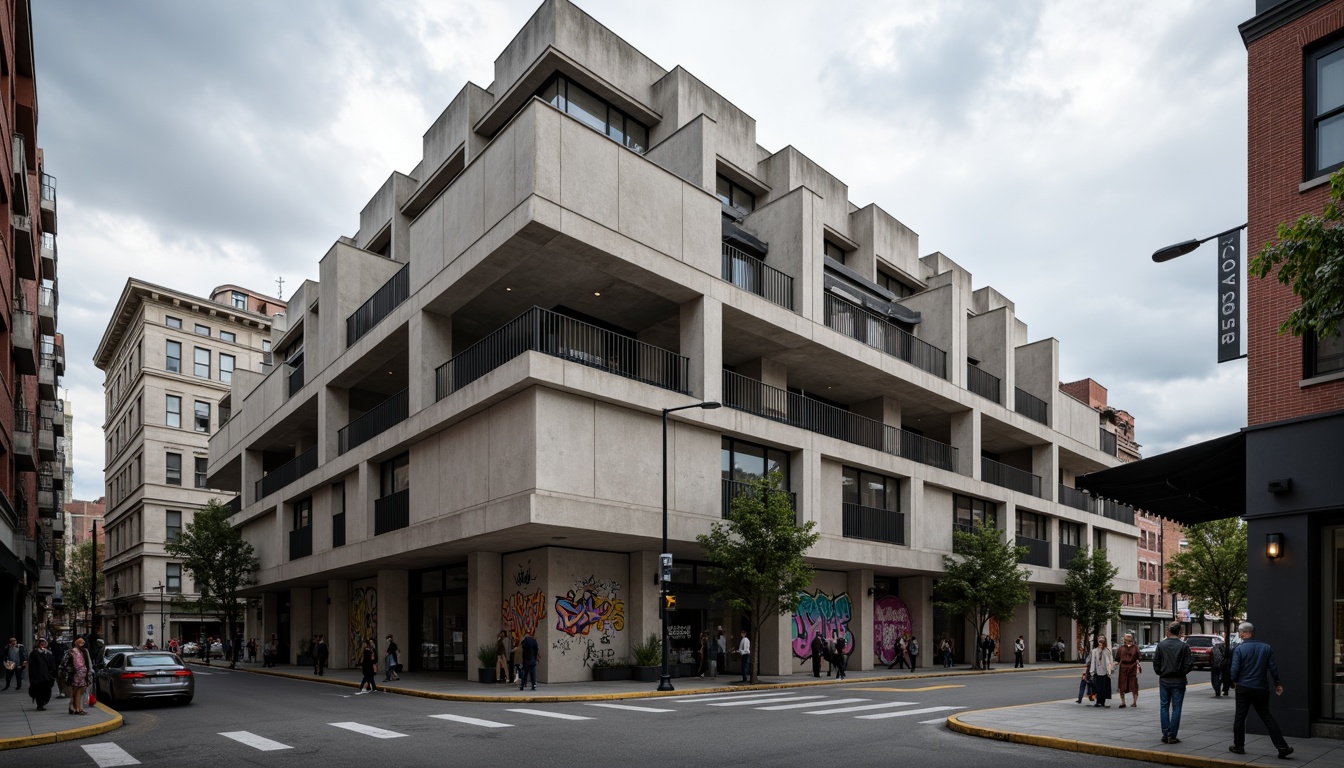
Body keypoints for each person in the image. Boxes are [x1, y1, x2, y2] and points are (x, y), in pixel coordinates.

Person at [1227, 621, 1292, 759]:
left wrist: (1236, 681)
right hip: (1261, 688)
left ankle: (1239, 746)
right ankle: (1282, 747)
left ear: (1244, 633)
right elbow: (1273, 668)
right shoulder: (1266, 648)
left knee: (1240, 717)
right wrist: (1277, 683)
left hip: (1244, 688)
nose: (1240, 634)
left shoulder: (1239, 649)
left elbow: (1233, 673)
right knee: (1267, 717)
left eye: (1240, 632)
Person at [1153, 621, 1195, 744]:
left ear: (1169, 631)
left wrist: (1161, 672)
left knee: (1164, 706)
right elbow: (1189, 663)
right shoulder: (1184, 646)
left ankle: (1165, 733)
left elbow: (1156, 663)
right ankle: (1172, 735)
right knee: (1177, 708)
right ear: (1180, 632)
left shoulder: (1161, 645)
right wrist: (1182, 673)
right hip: (1179, 680)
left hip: (1164, 679)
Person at [59, 636, 93, 715]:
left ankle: (78, 708)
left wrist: (87, 671)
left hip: (81, 673)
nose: (82, 644)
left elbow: (85, 662)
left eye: (83, 642)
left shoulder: (82, 651)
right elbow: (76, 664)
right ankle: (75, 708)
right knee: (76, 691)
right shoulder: (74, 651)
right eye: (80, 642)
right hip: (77, 674)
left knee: (80, 691)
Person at [26, 638, 56, 711]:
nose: (43, 645)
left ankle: (42, 703)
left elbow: (52, 664)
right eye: (41, 643)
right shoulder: (34, 653)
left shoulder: (48, 653)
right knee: (39, 690)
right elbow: (32, 666)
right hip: (38, 677)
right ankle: (40, 704)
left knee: (46, 690)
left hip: (46, 676)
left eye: (44, 644)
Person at [1087, 636, 1115, 707]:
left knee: (1104, 688)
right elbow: (1092, 661)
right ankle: (1098, 701)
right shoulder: (1094, 651)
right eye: (1099, 642)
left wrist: (1110, 671)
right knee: (1098, 688)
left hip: (1105, 672)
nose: (1101, 643)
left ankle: (1102, 702)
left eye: (1102, 642)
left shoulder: (1107, 651)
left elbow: (1110, 662)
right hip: (1098, 672)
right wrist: (1092, 672)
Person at [1116, 633, 1141, 708]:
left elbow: (1117, 658)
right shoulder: (1135, 648)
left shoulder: (1122, 648)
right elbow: (1139, 657)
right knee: (1132, 685)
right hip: (1131, 668)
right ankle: (1134, 702)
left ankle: (1124, 702)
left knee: (1124, 685)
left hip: (1125, 668)